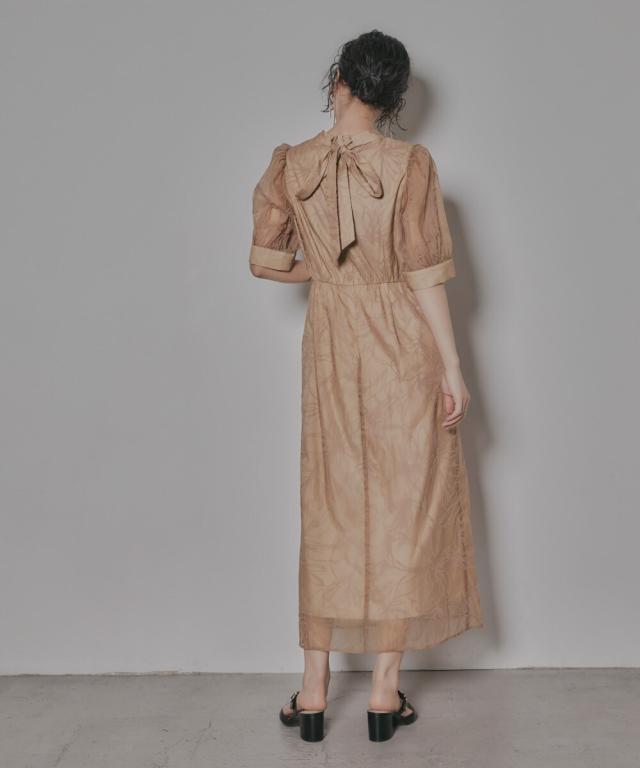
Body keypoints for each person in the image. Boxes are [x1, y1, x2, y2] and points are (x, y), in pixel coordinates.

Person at [248, 29, 483, 743]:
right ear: (393, 98)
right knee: (406, 504)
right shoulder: (410, 164)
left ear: (339, 83)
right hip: (403, 344)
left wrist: (326, 274)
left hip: (330, 341)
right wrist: (452, 366)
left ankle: (313, 690)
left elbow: (264, 261)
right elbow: (424, 275)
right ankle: (384, 692)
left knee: (329, 502)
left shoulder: (291, 163)